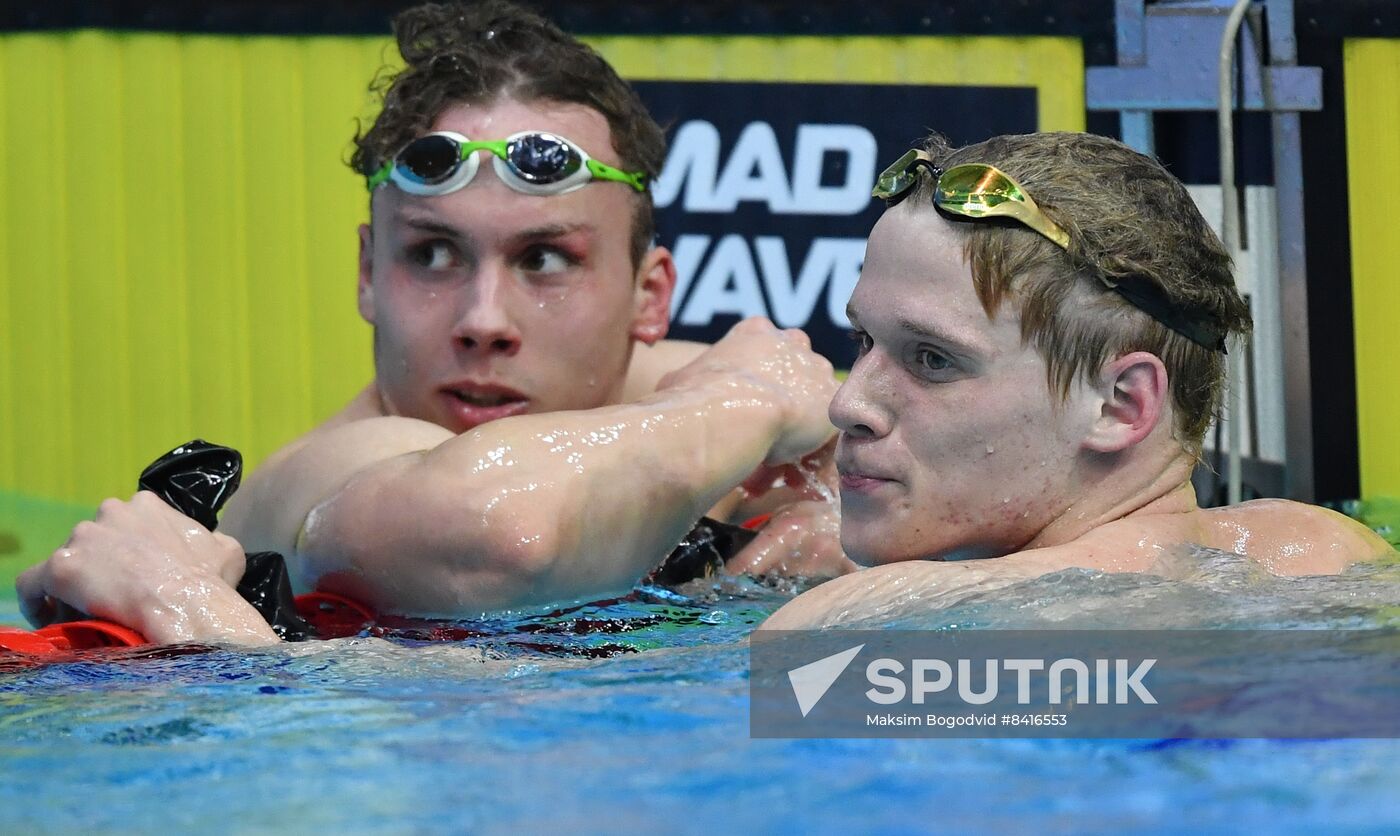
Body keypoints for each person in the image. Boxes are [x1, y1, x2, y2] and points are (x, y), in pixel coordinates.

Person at [16, 0, 852, 645]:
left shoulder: (683, 401)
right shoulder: (323, 480)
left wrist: (850, 527)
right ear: (367, 275)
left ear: (650, 295)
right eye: (433, 255)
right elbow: (503, 531)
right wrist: (747, 403)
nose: (483, 321)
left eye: (545, 260)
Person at [761, 131, 1394, 628]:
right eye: (863, 342)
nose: (848, 402)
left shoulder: (869, 626)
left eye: (933, 360)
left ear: (1120, 406)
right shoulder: (1330, 549)